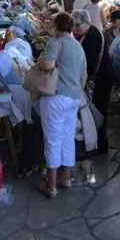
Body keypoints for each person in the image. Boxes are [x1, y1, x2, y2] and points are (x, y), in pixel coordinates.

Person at [36, 12, 86, 198]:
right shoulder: (78, 46)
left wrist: (41, 60)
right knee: (67, 138)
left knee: (53, 139)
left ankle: (51, 185)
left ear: (56, 26)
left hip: (55, 97)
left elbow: (48, 65)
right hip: (73, 98)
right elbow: (84, 76)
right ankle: (65, 178)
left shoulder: (55, 42)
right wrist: (75, 91)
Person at [72, 9, 111, 153]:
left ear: (87, 22)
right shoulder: (86, 33)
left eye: (77, 25)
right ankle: (95, 143)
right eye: (73, 26)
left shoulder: (93, 35)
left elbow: (89, 63)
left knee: (99, 112)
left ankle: (100, 146)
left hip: (101, 79)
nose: (75, 29)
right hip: (96, 77)